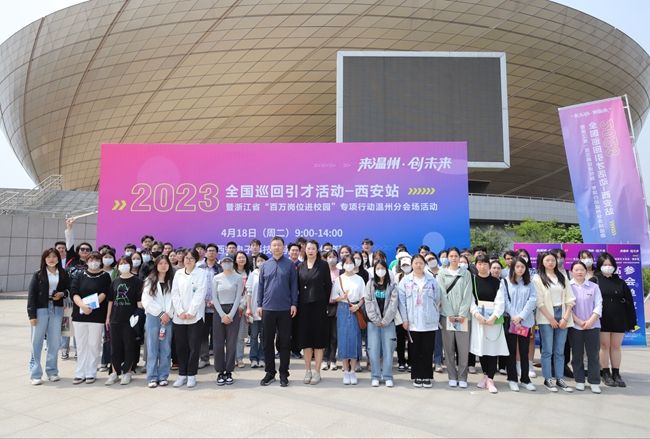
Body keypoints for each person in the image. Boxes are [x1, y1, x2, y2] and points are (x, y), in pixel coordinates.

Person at [257, 237, 298, 387]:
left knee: (285, 343)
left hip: (285, 309)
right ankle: (270, 372)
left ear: (283, 247)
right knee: (267, 342)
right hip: (267, 309)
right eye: (274, 245)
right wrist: (259, 305)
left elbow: (294, 286)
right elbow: (261, 286)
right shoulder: (265, 265)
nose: (277, 247)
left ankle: (283, 373)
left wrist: (294, 304)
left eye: (279, 245)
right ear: (270, 247)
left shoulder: (290, 265)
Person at [533, 251, 576, 393]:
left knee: (560, 351)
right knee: (547, 350)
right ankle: (548, 379)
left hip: (562, 314)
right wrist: (550, 319)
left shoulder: (562, 276)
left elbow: (570, 299)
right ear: (542, 262)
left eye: (553, 260)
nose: (551, 262)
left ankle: (560, 378)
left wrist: (565, 318)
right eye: (547, 260)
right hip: (546, 316)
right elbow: (539, 302)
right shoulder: (537, 278)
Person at [28, 248, 70, 385]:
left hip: (57, 308)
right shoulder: (38, 274)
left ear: (58, 258)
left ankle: (52, 371)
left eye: (54, 256)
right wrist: (32, 315)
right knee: (36, 341)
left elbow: (69, 289)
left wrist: (62, 294)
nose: (51, 259)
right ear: (44, 259)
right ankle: (35, 374)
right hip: (41, 309)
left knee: (54, 342)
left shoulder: (63, 273)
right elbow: (32, 295)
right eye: (48, 257)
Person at [398, 255, 441, 388]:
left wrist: (434, 313)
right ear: (412, 265)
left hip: (429, 321)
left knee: (428, 350)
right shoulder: (405, 281)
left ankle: (427, 376)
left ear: (424, 264)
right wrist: (405, 319)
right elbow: (402, 302)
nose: (418, 265)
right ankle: (417, 376)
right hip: (413, 322)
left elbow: (437, 298)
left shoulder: (432, 280)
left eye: (421, 263)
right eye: (416, 263)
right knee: (415, 350)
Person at [595, 252, 636, 387]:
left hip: (619, 318)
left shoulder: (620, 282)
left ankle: (616, 373)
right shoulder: (594, 280)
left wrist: (631, 321)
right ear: (600, 265)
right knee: (604, 346)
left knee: (616, 346)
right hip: (602, 318)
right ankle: (605, 373)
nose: (608, 267)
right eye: (605, 264)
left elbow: (629, 302)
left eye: (610, 264)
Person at [469, 255, 509, 394]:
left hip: (493, 321)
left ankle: (491, 378)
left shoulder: (497, 282)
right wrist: (477, 315)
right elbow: (470, 300)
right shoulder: (472, 281)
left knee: (492, 349)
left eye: (485, 263)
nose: (483, 266)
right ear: (476, 265)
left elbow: (500, 301)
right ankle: (485, 375)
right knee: (482, 348)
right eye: (480, 263)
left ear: (489, 265)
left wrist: (494, 317)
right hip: (479, 319)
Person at [70, 251, 111, 384]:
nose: (94, 262)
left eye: (97, 260)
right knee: (81, 345)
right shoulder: (79, 275)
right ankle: (80, 372)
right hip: (79, 315)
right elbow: (74, 292)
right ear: (86, 261)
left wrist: (91, 307)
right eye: (91, 260)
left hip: (97, 316)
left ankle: (91, 372)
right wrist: (82, 306)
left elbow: (104, 293)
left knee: (94, 344)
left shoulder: (105, 276)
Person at [105, 256, 143, 386]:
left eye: (126, 263)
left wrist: (138, 315)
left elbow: (139, 303)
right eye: (121, 263)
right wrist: (108, 317)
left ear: (131, 265)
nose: (123, 265)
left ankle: (127, 372)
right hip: (115, 319)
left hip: (130, 320)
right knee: (115, 347)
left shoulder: (137, 281)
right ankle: (114, 372)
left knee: (129, 346)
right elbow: (111, 300)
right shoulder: (115, 281)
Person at [297, 240, 331, 385]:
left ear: (317, 250)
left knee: (318, 340)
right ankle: (308, 371)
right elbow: (298, 287)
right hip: (304, 308)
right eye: (308, 248)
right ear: (305, 250)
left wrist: (325, 303)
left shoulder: (323, 265)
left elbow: (328, 286)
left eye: (313, 248)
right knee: (306, 341)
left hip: (319, 307)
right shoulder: (300, 266)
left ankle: (317, 371)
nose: (310, 251)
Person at [171, 249, 207, 388]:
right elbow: (174, 293)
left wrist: (191, 311)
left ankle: (191, 374)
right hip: (179, 317)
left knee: (194, 346)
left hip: (195, 317)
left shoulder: (201, 273)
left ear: (196, 260)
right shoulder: (178, 273)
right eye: (186, 257)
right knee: (181, 346)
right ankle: (182, 374)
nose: (188, 260)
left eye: (191, 258)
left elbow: (200, 293)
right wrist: (180, 311)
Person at [438, 247, 473, 388]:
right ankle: (452, 376)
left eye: (456, 256)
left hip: (463, 318)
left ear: (459, 257)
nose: (453, 258)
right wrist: (450, 314)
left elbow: (468, 294)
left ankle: (463, 377)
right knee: (449, 348)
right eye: (451, 256)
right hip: (447, 317)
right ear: (447, 258)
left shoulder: (466, 273)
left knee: (463, 349)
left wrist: (462, 314)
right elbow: (442, 294)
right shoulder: (442, 273)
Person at [502, 256, 537, 391]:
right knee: (511, 351)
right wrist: (514, 317)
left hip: (525, 322)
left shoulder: (530, 283)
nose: (520, 269)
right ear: (513, 268)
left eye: (523, 267)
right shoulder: (505, 282)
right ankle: (512, 379)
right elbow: (505, 301)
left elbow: (532, 300)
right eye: (517, 266)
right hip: (511, 322)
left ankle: (525, 379)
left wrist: (521, 317)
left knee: (524, 351)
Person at [330, 254, 365, 385]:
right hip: (343, 308)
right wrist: (342, 297)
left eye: (351, 262)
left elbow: (363, 297)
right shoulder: (339, 279)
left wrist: (358, 306)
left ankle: (353, 371)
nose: (349, 265)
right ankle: (345, 370)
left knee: (355, 338)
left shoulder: (359, 279)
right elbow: (334, 297)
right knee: (343, 338)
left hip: (355, 309)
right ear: (343, 264)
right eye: (347, 262)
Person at [569, 261, 603, 394]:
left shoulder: (594, 287)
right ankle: (579, 380)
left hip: (593, 325)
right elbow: (567, 307)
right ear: (572, 272)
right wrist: (578, 321)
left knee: (593, 354)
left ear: (586, 271)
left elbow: (599, 304)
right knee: (577, 354)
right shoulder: (568, 287)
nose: (579, 272)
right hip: (575, 326)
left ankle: (594, 381)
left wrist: (590, 321)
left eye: (582, 269)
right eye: (576, 270)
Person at [142, 255, 175, 388]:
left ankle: (163, 376)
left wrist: (168, 314)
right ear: (156, 265)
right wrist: (161, 313)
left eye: (165, 263)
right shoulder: (149, 280)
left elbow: (175, 299)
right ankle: (152, 377)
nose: (163, 266)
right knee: (152, 347)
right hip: (153, 317)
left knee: (166, 348)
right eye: (160, 263)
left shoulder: (172, 281)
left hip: (168, 318)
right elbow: (146, 301)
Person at [210, 255, 243, 386]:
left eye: (229, 261)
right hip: (219, 311)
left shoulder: (238, 277)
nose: (227, 263)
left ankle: (229, 371)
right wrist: (222, 315)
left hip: (233, 311)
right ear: (221, 264)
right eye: (224, 261)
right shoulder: (216, 278)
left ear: (232, 263)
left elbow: (238, 298)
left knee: (231, 343)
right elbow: (214, 297)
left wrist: (231, 315)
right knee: (218, 344)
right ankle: (220, 371)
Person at [364, 260, 398, 387]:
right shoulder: (370, 284)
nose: (380, 270)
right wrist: (376, 319)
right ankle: (375, 376)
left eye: (382, 268)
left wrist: (385, 320)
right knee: (373, 349)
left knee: (388, 349)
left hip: (388, 322)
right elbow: (368, 302)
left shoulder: (392, 285)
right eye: (378, 268)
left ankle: (388, 376)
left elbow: (393, 304)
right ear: (374, 270)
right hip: (373, 323)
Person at [199, 243, 222, 369]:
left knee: (218, 334)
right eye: (209, 250)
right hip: (202, 307)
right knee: (202, 334)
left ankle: (218, 360)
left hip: (216, 307)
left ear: (217, 253)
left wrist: (215, 300)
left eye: (213, 251)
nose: (211, 253)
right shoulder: (199, 268)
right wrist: (201, 299)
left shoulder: (220, 268)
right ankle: (204, 358)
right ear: (205, 253)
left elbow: (224, 286)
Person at [246, 253, 268, 369]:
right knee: (254, 336)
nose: (260, 263)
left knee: (264, 336)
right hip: (254, 310)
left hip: (267, 310)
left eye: (262, 260)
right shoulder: (252, 274)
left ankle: (262, 358)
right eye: (258, 261)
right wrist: (249, 308)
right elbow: (248, 292)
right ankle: (253, 358)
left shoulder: (269, 273)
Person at [323, 249, 340, 371]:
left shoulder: (341, 272)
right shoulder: (322, 271)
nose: (332, 258)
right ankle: (324, 359)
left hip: (337, 306)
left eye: (334, 256)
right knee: (325, 334)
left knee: (334, 335)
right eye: (329, 256)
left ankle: (333, 359)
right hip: (324, 306)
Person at [395, 256, 412, 372]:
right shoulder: (397, 277)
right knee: (400, 339)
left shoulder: (414, 276)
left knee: (411, 339)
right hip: (399, 312)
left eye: (408, 265)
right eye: (404, 265)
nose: (406, 267)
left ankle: (411, 361)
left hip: (412, 312)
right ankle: (401, 361)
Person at [234, 251, 250, 368]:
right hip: (230, 307)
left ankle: (239, 358)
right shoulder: (231, 273)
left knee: (240, 335)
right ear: (235, 260)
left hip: (243, 308)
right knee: (230, 335)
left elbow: (249, 291)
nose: (241, 259)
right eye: (239, 258)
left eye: (243, 257)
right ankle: (231, 358)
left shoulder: (249, 273)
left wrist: (242, 305)